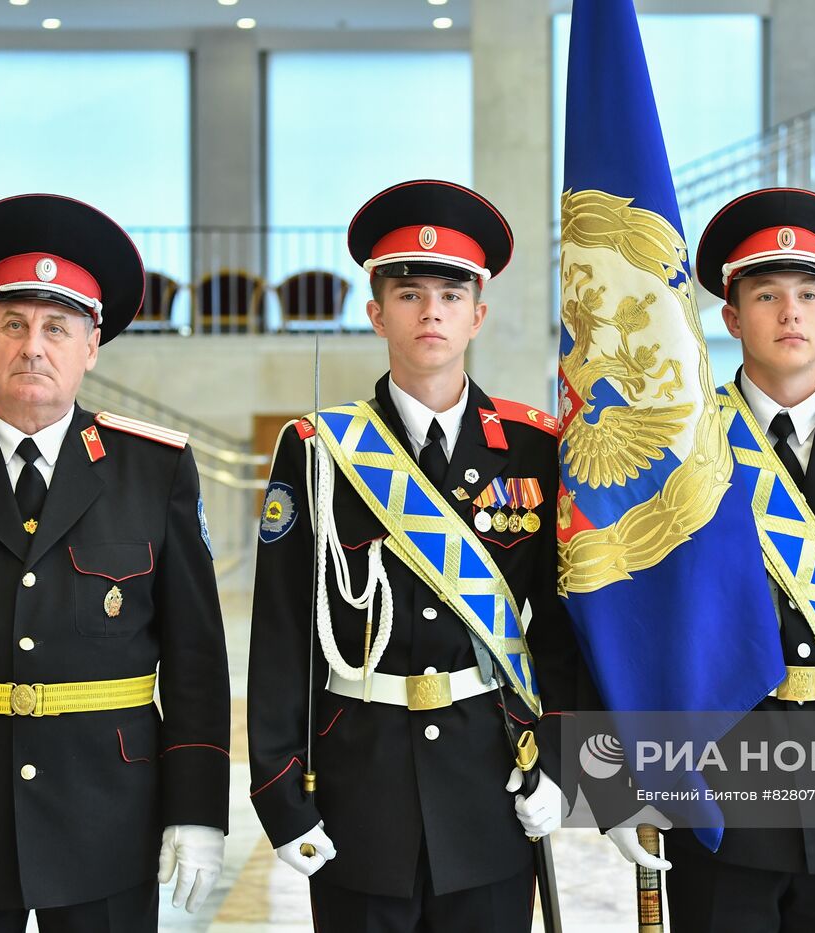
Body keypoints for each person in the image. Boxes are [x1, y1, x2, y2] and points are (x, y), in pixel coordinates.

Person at [0, 193, 231, 930]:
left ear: (91, 346)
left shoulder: (156, 470)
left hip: (108, 819)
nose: (33, 345)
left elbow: (196, 661)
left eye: (57, 327)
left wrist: (197, 810)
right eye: (14, 323)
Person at [603, 187, 815, 932]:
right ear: (731, 318)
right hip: (719, 785)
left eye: (808, 292)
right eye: (766, 294)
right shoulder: (679, 442)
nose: (790, 312)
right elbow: (635, 623)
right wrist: (623, 780)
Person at [246, 179, 579, 933]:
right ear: (376, 312)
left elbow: (560, 627)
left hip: (491, 779)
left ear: (478, 315)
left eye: (451, 294)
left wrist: (559, 761)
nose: (432, 310)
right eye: (408, 291)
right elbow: (283, 629)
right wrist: (279, 794)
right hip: (359, 788)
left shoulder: (533, 448)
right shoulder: (319, 450)